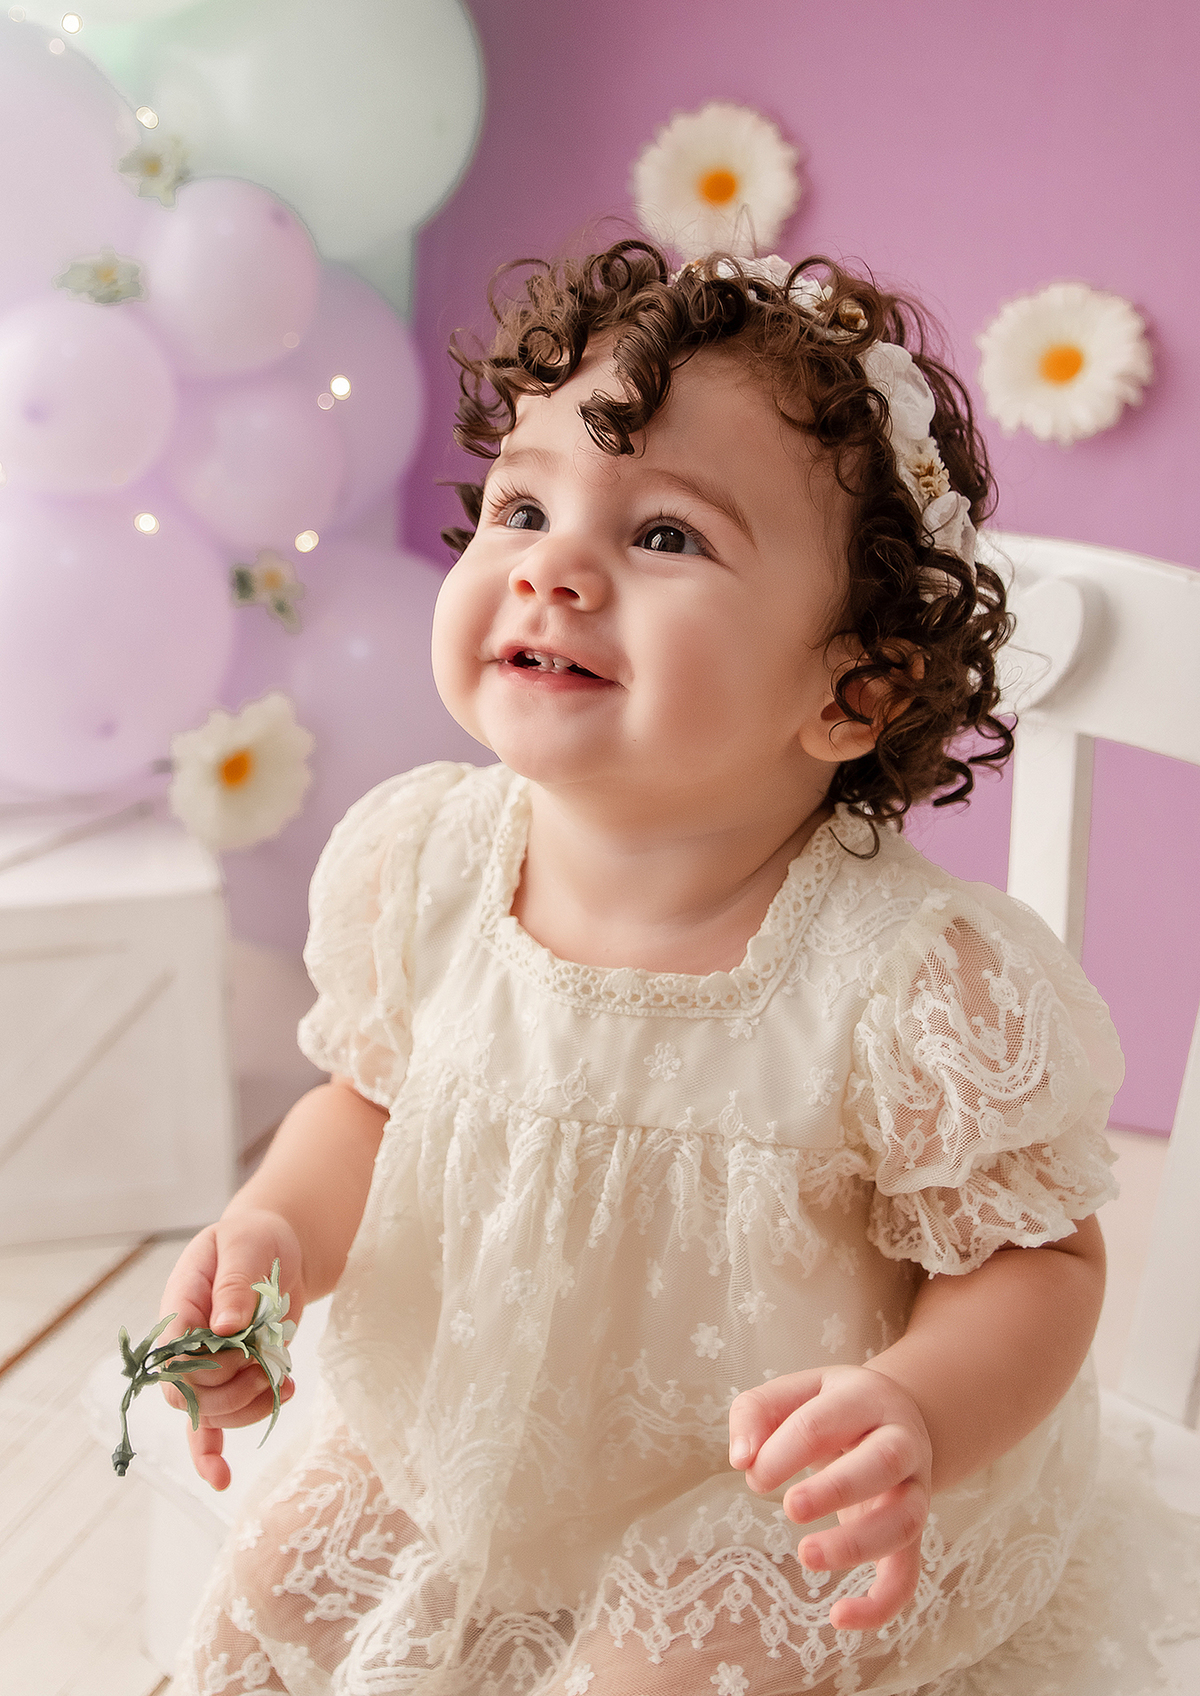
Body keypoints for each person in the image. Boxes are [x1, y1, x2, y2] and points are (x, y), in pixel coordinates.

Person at [164, 243, 1199, 1695]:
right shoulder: (426, 869)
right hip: (485, 1437)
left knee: (660, 1664)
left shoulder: (906, 984)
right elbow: (372, 1108)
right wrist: (278, 1235)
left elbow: (1038, 1262)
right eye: (524, 507)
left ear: (854, 689)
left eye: (664, 534)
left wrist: (913, 1413)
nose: (550, 567)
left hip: (794, 1495)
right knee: (278, 1593)